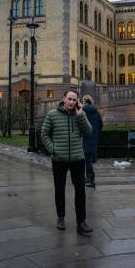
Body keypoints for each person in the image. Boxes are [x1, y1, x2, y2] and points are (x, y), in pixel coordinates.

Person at [41, 89, 93, 235]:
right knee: (59, 189)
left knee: (80, 190)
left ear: (78, 101)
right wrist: (53, 149)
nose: (71, 102)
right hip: (59, 159)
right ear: (63, 98)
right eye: (69, 99)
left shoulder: (80, 114)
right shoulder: (52, 115)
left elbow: (89, 131)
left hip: (77, 158)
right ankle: (61, 218)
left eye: (74, 100)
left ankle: (81, 222)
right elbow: (44, 134)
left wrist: (81, 115)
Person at [82, 95, 102, 188]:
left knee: (86, 160)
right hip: (93, 138)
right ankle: (90, 177)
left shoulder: (81, 112)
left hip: (84, 138)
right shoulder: (96, 112)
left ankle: (89, 178)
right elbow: (101, 124)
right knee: (88, 159)